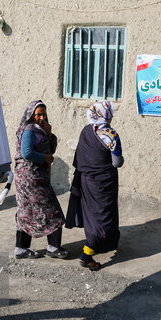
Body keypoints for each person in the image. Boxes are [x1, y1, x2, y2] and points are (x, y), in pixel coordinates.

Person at [65, 101, 124, 271]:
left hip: (86, 182)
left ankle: (105, 244)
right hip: (104, 183)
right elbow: (117, 162)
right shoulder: (111, 134)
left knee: (94, 216)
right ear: (108, 114)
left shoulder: (86, 131)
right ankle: (86, 254)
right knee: (103, 217)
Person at [14, 100, 68, 259]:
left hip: (33, 178)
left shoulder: (40, 130)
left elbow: (50, 148)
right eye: (38, 114)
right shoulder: (30, 130)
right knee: (53, 212)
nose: (42, 117)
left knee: (25, 212)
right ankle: (53, 247)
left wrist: (50, 135)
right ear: (31, 115)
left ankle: (21, 249)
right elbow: (27, 153)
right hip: (31, 179)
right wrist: (44, 158)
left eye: (44, 114)